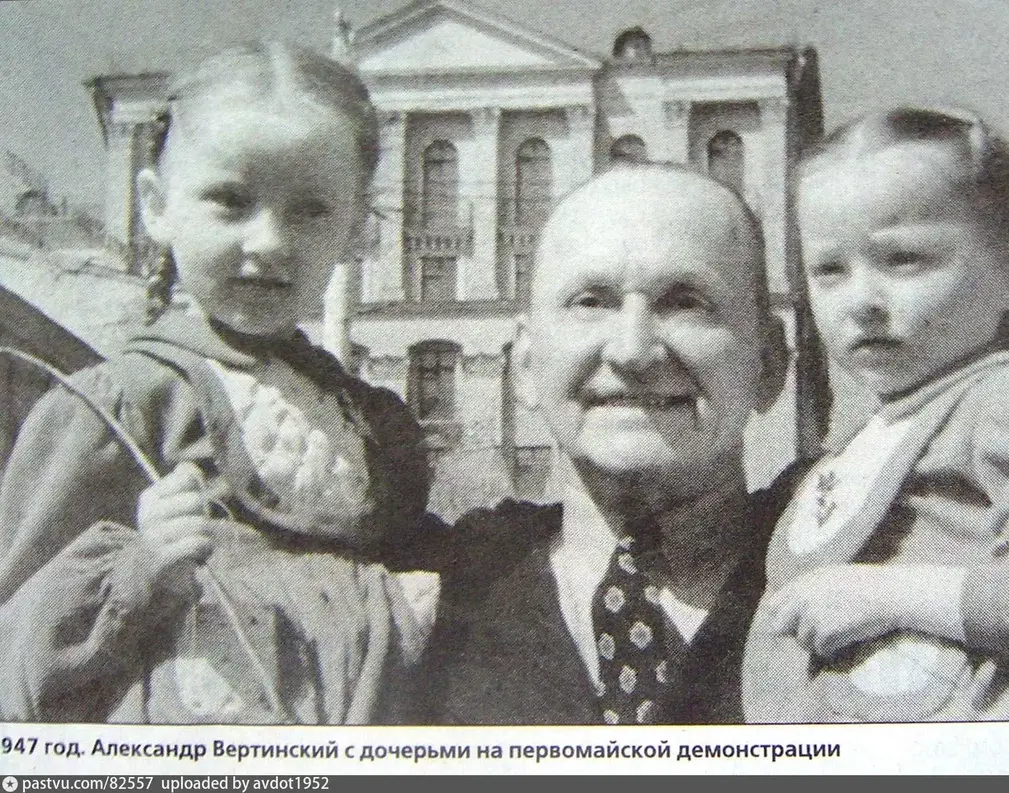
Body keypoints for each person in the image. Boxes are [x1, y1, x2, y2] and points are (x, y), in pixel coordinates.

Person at [0, 42, 435, 724]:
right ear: (157, 206)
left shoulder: (369, 423)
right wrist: (141, 566)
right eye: (231, 201)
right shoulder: (125, 404)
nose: (269, 241)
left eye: (311, 210)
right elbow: (14, 641)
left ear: (355, 231)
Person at [742, 107, 1009, 723]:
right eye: (829, 270)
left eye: (903, 259)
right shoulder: (854, 448)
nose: (861, 300)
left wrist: (896, 596)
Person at [417, 163, 794, 725]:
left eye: (685, 302)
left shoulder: (856, 580)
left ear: (770, 361)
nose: (632, 351)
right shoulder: (436, 601)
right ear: (524, 365)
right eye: (590, 301)